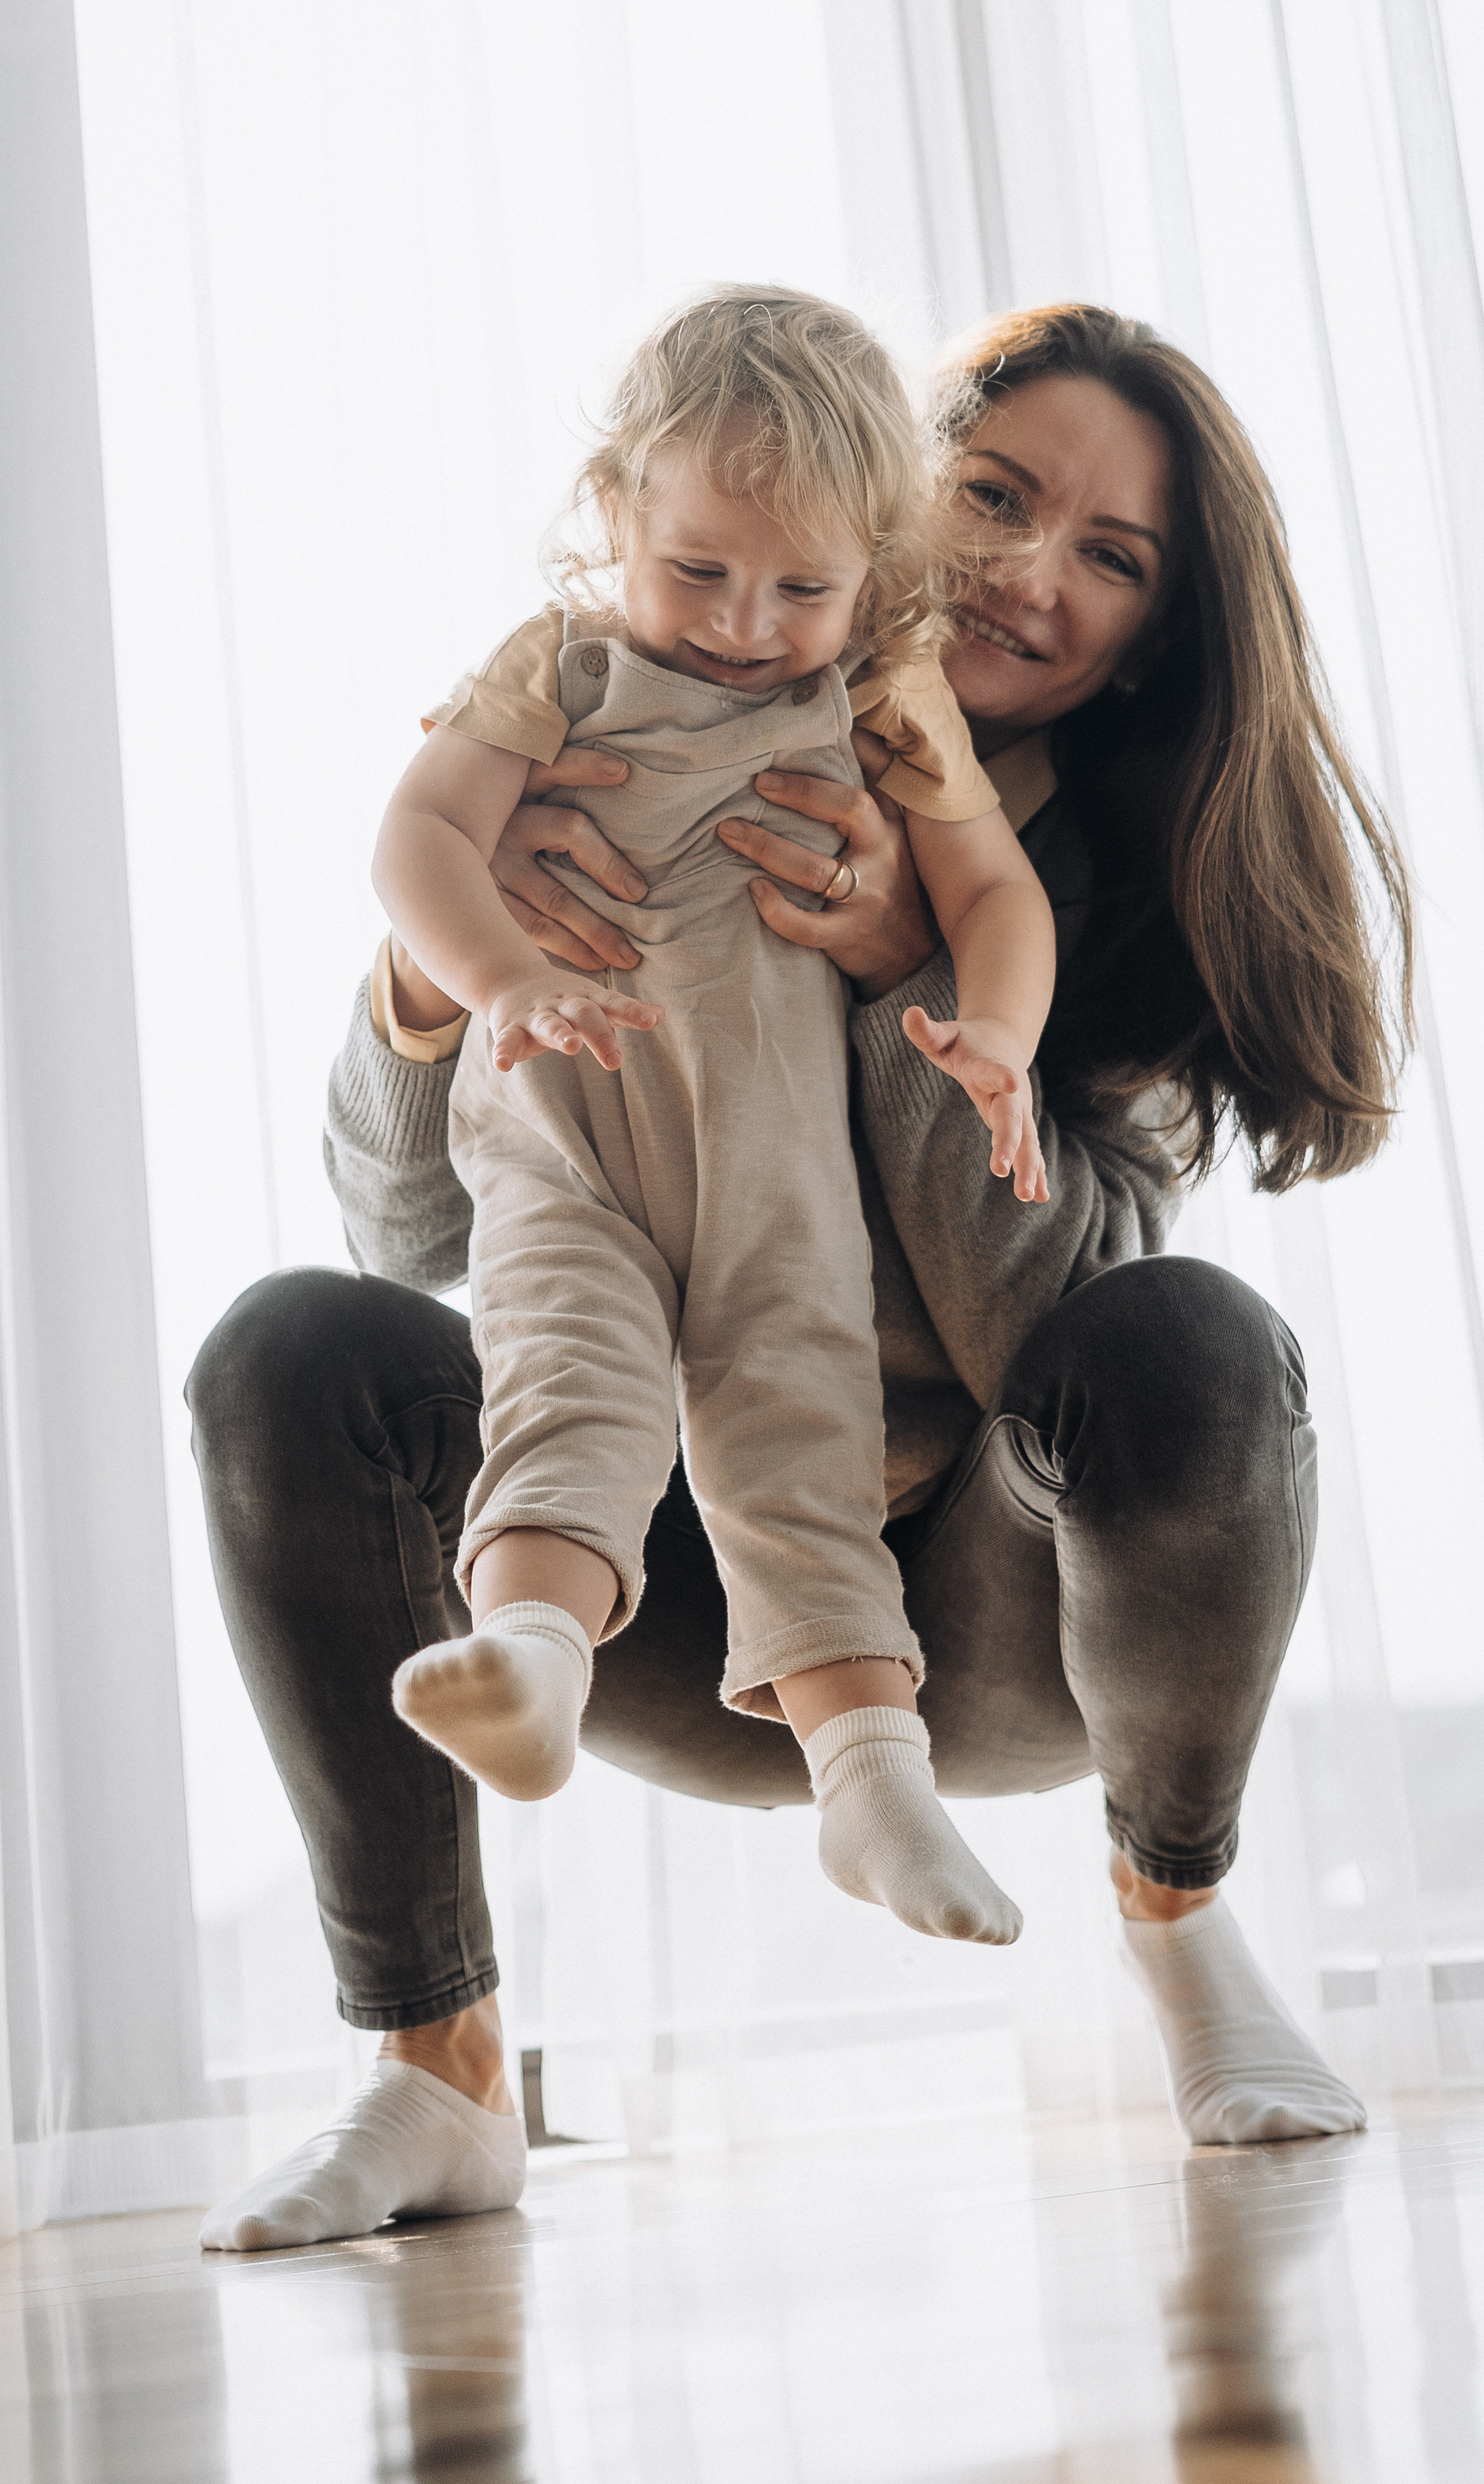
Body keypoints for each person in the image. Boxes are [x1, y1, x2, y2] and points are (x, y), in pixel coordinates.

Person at [195, 302, 1410, 2254]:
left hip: (993, 1606)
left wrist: (898, 976)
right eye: (993, 496)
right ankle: (436, 2071)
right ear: (891, 489)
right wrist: (450, 973)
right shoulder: (618, 705)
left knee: (1198, 1339)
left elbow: (1055, 1346)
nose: (1027, 570)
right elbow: (414, 1239)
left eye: (1107, 557)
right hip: (648, 1568)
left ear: (1148, 639)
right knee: (289, 1354)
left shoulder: (1109, 890)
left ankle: (1178, 1922)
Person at [371, 290, 1054, 1954]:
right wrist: (503, 971)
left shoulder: (882, 694)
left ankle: (871, 1784)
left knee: (797, 1434)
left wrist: (998, 1038)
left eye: (802, 588)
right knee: (564, 1394)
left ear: (872, 570)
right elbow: (416, 838)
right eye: (696, 570)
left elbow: (994, 893)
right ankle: (532, 1665)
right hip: (569, 1145)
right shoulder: (558, 667)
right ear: (616, 514)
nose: (746, 626)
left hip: (773, 1159)